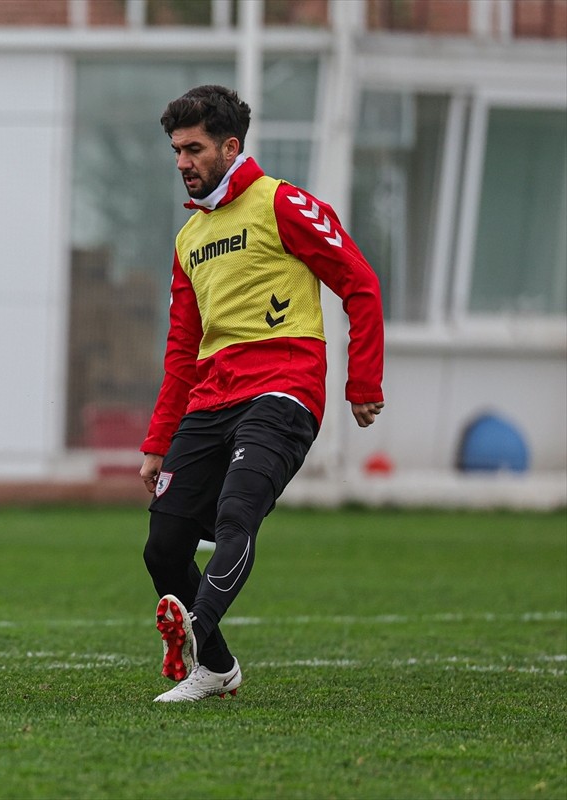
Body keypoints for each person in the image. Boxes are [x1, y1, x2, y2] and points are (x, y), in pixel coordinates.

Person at [139, 86, 384, 702]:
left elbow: (360, 284)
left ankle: (194, 628)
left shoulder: (284, 203)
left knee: (235, 515)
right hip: (210, 398)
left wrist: (363, 382)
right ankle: (216, 668)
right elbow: (181, 348)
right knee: (163, 547)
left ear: (230, 146)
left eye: (193, 149)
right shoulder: (188, 239)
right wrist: (158, 440)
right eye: (175, 151)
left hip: (284, 389)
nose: (181, 163)